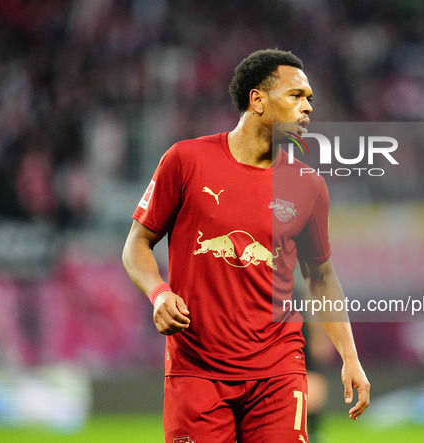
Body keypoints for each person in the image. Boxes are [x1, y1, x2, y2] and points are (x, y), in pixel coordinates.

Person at [122, 49, 370, 443]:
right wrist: (158, 294)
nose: (307, 108)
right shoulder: (185, 160)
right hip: (196, 366)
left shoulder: (307, 185)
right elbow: (136, 245)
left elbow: (321, 276)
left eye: (310, 100)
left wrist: (350, 357)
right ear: (257, 100)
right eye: (296, 96)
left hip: (278, 368)